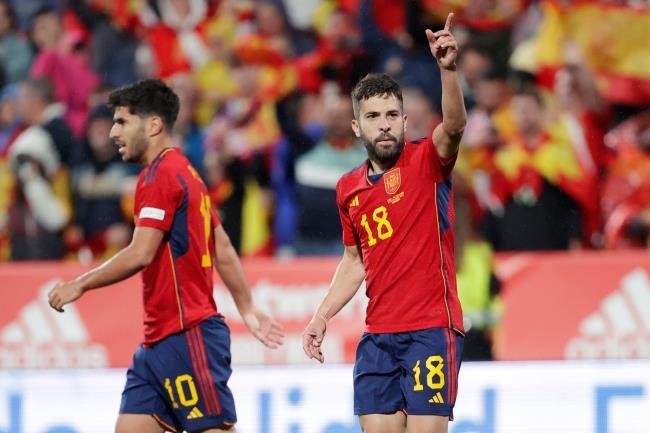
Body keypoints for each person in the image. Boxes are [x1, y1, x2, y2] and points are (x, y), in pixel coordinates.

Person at [47, 79, 284, 433]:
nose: (113, 132)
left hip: (186, 334)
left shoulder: (159, 175)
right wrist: (246, 308)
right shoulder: (186, 172)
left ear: (154, 124)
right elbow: (222, 247)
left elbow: (141, 253)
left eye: (122, 121)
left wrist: (79, 284)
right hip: (158, 341)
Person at [302, 13, 466, 433]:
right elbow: (354, 260)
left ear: (405, 121)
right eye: (373, 116)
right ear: (357, 126)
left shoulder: (427, 161)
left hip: (430, 329)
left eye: (392, 114)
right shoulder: (348, 188)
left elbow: (454, 126)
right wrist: (322, 316)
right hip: (378, 337)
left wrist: (448, 71)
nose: (384, 124)